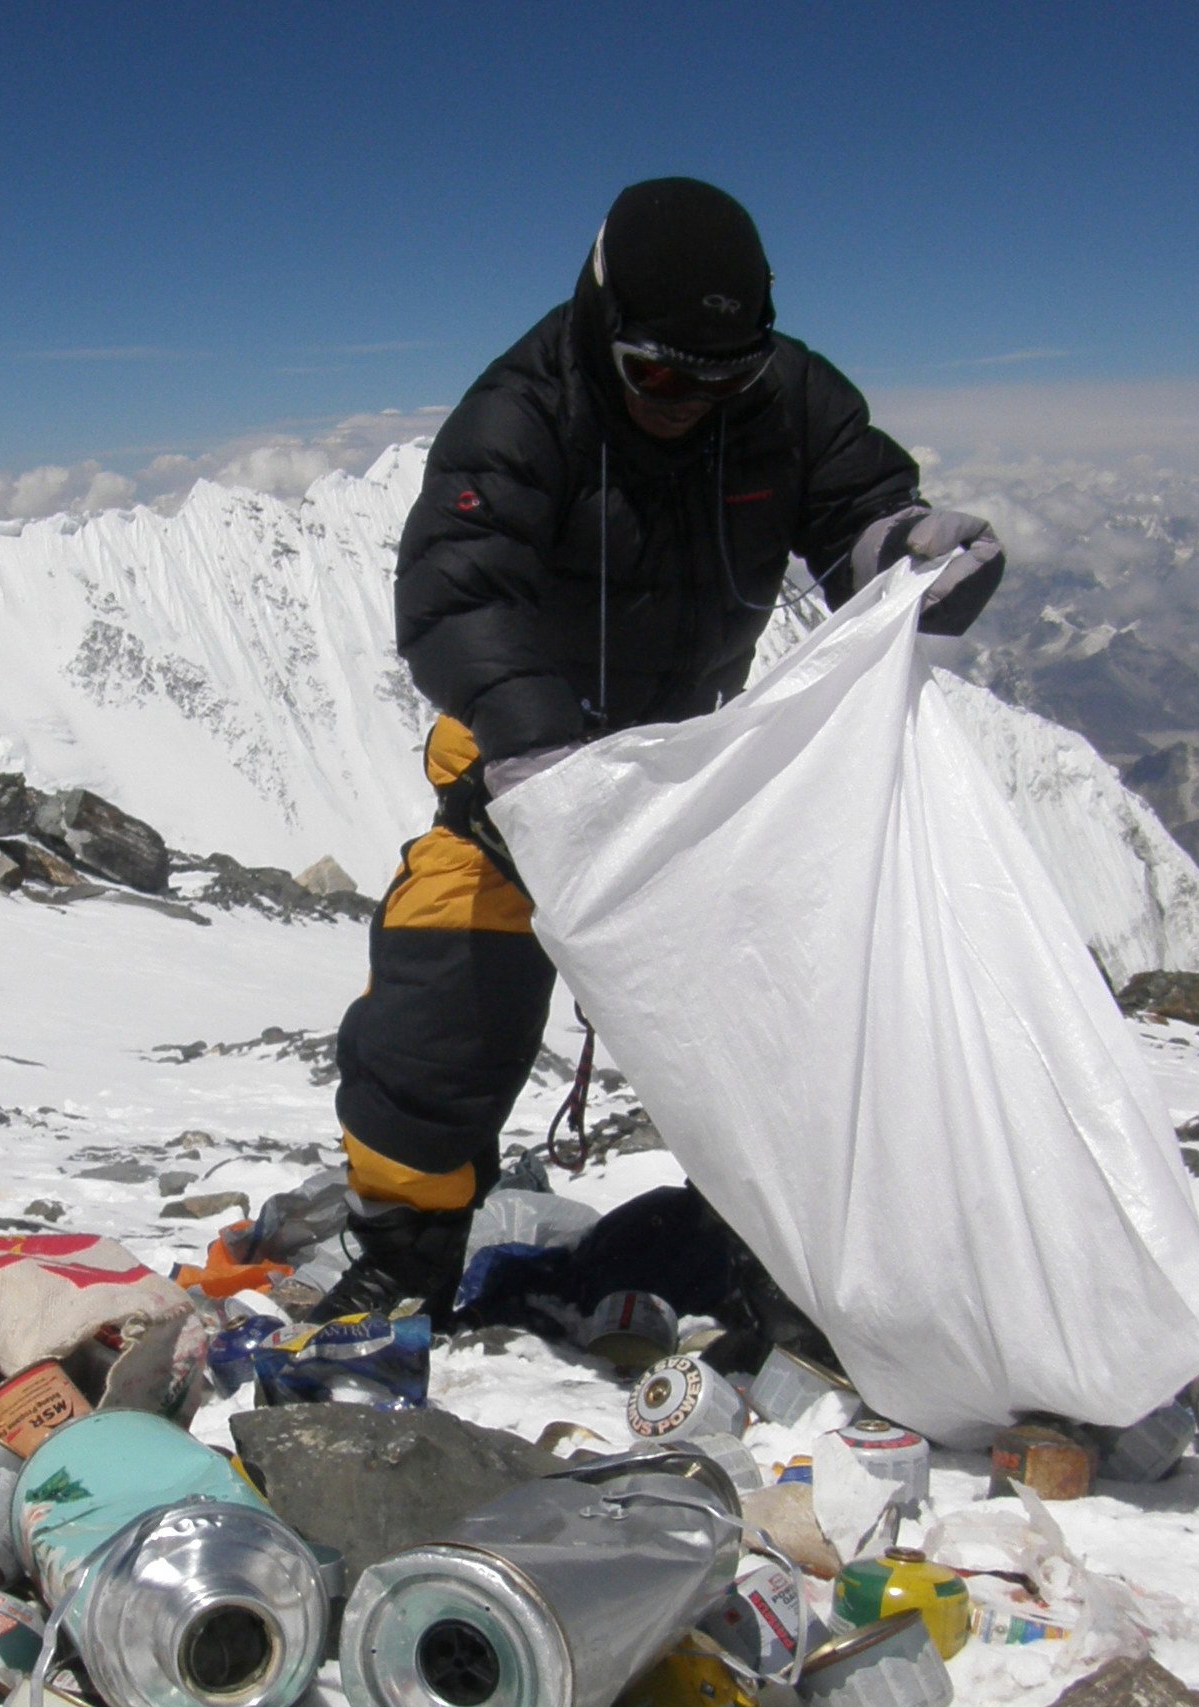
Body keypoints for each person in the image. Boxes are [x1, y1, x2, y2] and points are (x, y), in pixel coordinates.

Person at [319, 176, 1004, 1321]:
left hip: (694, 782)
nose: (687, 400)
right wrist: (537, 757)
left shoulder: (785, 399)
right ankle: (404, 1259)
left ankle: (779, 1265)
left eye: (720, 376)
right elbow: (453, 593)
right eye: (659, 373)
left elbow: (854, 514)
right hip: (513, 787)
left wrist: (909, 554)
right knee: (437, 1022)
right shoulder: (523, 411)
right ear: (600, 323)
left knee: (782, 1028)